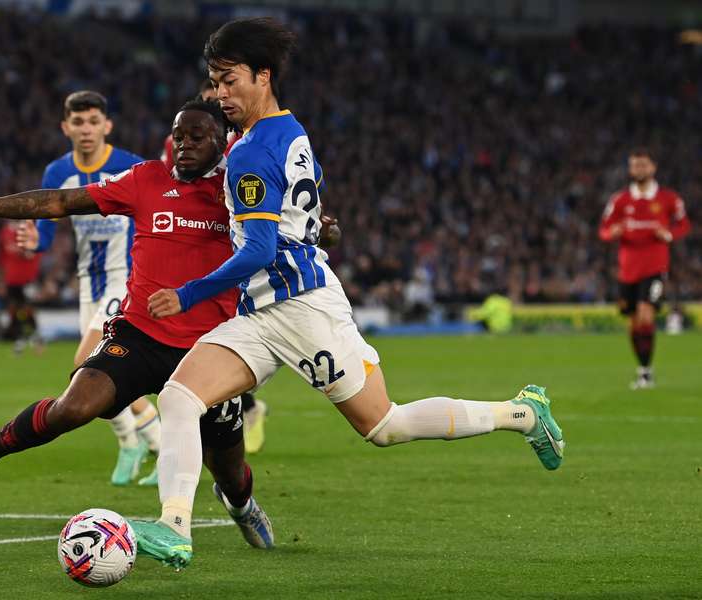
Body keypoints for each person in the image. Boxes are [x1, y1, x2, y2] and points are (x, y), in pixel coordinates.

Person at [130, 17, 565, 569]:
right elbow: (302, 213)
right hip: (261, 313)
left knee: (384, 426)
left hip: (302, 309)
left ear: (263, 76)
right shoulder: (288, 130)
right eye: (214, 82)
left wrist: (188, 294)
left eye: (229, 80)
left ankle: (522, 413)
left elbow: (261, 248)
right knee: (180, 397)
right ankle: (174, 527)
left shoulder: (247, 152)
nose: (219, 94)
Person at [0, 99, 275, 552]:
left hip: (209, 349)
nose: (184, 145)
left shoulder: (237, 190)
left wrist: (324, 231)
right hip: (141, 334)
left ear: (222, 143)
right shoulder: (145, 179)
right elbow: (56, 201)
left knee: (228, 471)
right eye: (179, 135)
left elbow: (289, 231)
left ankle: (241, 506)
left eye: (198, 137)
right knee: (74, 406)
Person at [17, 90, 159, 485]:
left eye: (93, 121)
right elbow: (44, 236)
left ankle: (135, 443)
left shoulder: (131, 166)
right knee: (113, 375)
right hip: (89, 287)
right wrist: (33, 244)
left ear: (106, 126)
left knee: (85, 367)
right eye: (78, 122)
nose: (86, 129)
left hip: (127, 281)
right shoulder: (56, 174)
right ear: (66, 127)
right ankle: (151, 445)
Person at [162, 81, 270, 454]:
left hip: (239, 266)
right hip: (204, 264)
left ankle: (238, 416)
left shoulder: (246, 152)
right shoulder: (184, 146)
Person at [599, 148, 691, 389]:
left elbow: (684, 224)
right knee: (633, 323)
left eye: (643, 165)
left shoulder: (668, 198)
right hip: (628, 270)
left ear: (653, 167)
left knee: (645, 315)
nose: (639, 169)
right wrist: (613, 233)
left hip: (655, 267)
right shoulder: (620, 200)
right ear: (630, 169)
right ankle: (644, 370)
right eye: (635, 165)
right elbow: (604, 230)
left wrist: (669, 234)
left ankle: (646, 373)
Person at [0, 220, 41, 352]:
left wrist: (27, 252)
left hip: (27, 278)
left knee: (27, 308)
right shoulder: (5, 231)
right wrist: (2, 278)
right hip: (11, 279)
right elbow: (3, 256)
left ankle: (33, 337)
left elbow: (33, 252)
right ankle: (21, 338)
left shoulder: (28, 228)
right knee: (15, 309)